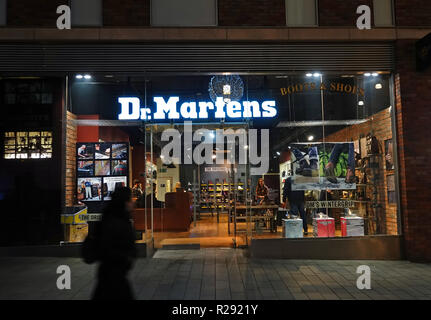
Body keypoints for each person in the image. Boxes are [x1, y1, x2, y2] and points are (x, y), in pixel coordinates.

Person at [92, 187, 137, 300]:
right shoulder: (121, 222)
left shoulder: (106, 217)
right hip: (116, 276)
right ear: (125, 202)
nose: (133, 202)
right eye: (130, 199)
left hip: (105, 275)